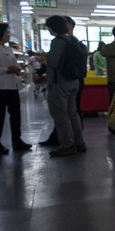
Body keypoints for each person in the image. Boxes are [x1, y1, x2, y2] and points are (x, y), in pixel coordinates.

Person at [44, 15, 87, 157]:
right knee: (72, 113)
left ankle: (67, 145)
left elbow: (53, 63)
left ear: (52, 28)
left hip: (59, 83)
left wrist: (45, 58)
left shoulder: (58, 42)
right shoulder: (72, 40)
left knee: (60, 115)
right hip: (74, 81)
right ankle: (79, 142)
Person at [0, 23, 31, 154]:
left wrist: (16, 68)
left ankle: (17, 140)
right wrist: (8, 69)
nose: (8, 34)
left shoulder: (8, 49)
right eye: (6, 32)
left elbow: (16, 65)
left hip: (12, 86)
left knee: (16, 114)